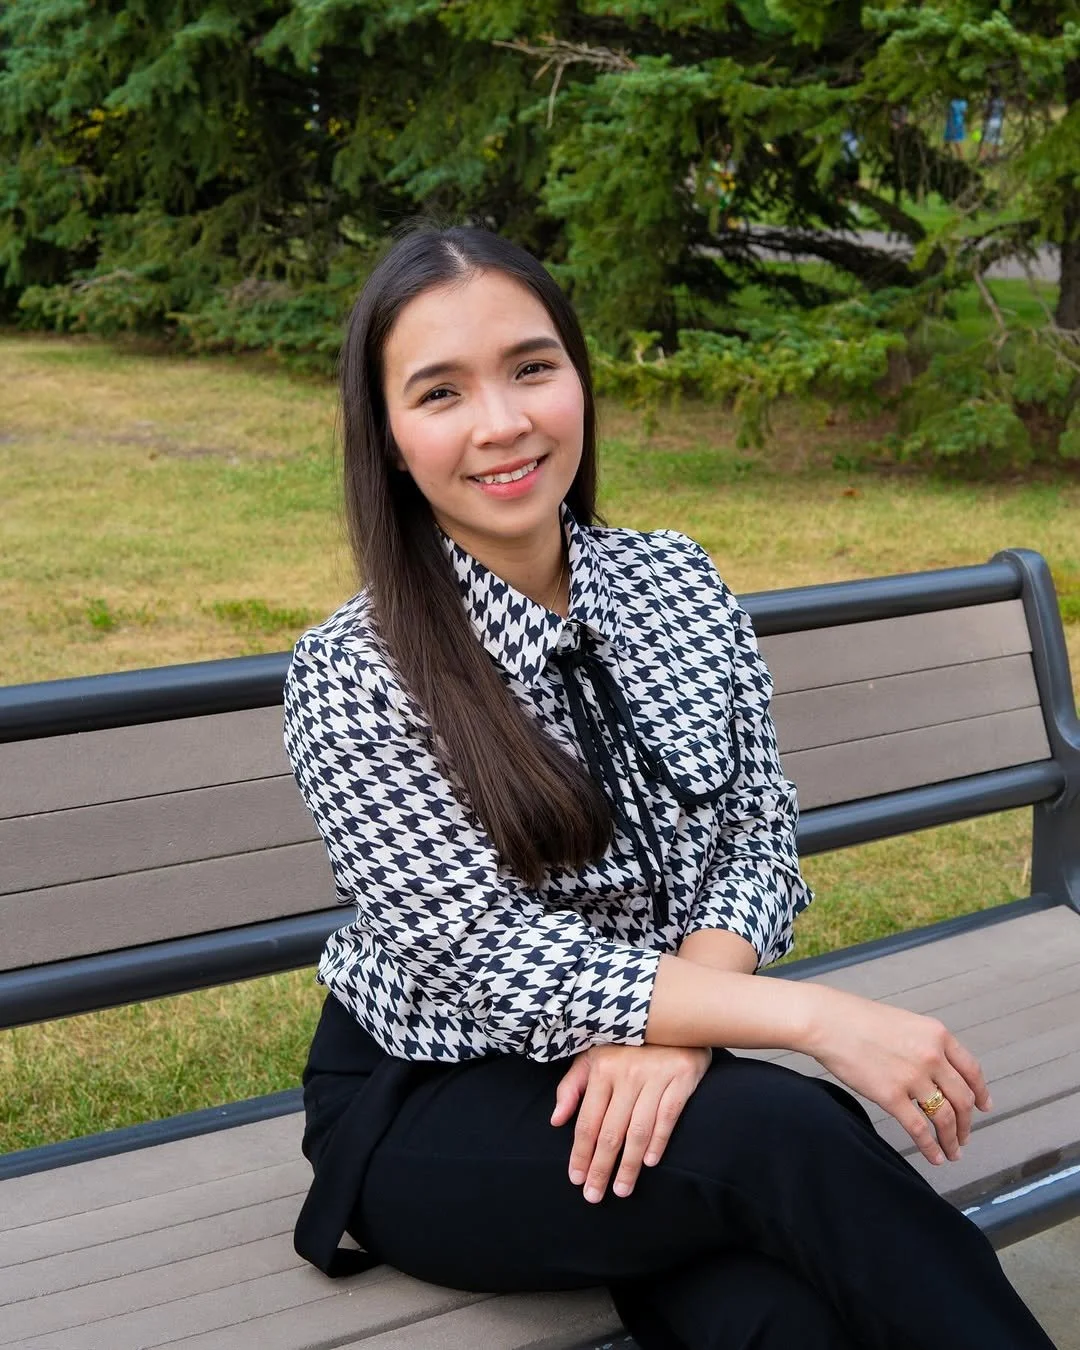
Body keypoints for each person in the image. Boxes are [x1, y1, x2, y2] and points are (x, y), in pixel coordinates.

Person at [282, 224, 1055, 1348]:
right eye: (441, 391)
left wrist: (675, 1030)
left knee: (776, 1314)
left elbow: (759, 838)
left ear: (578, 381)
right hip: (430, 1098)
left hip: (676, 1081)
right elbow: (494, 959)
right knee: (784, 1134)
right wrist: (809, 1018)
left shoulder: (674, 581)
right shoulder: (357, 670)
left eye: (531, 368)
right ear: (391, 437)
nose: (502, 422)